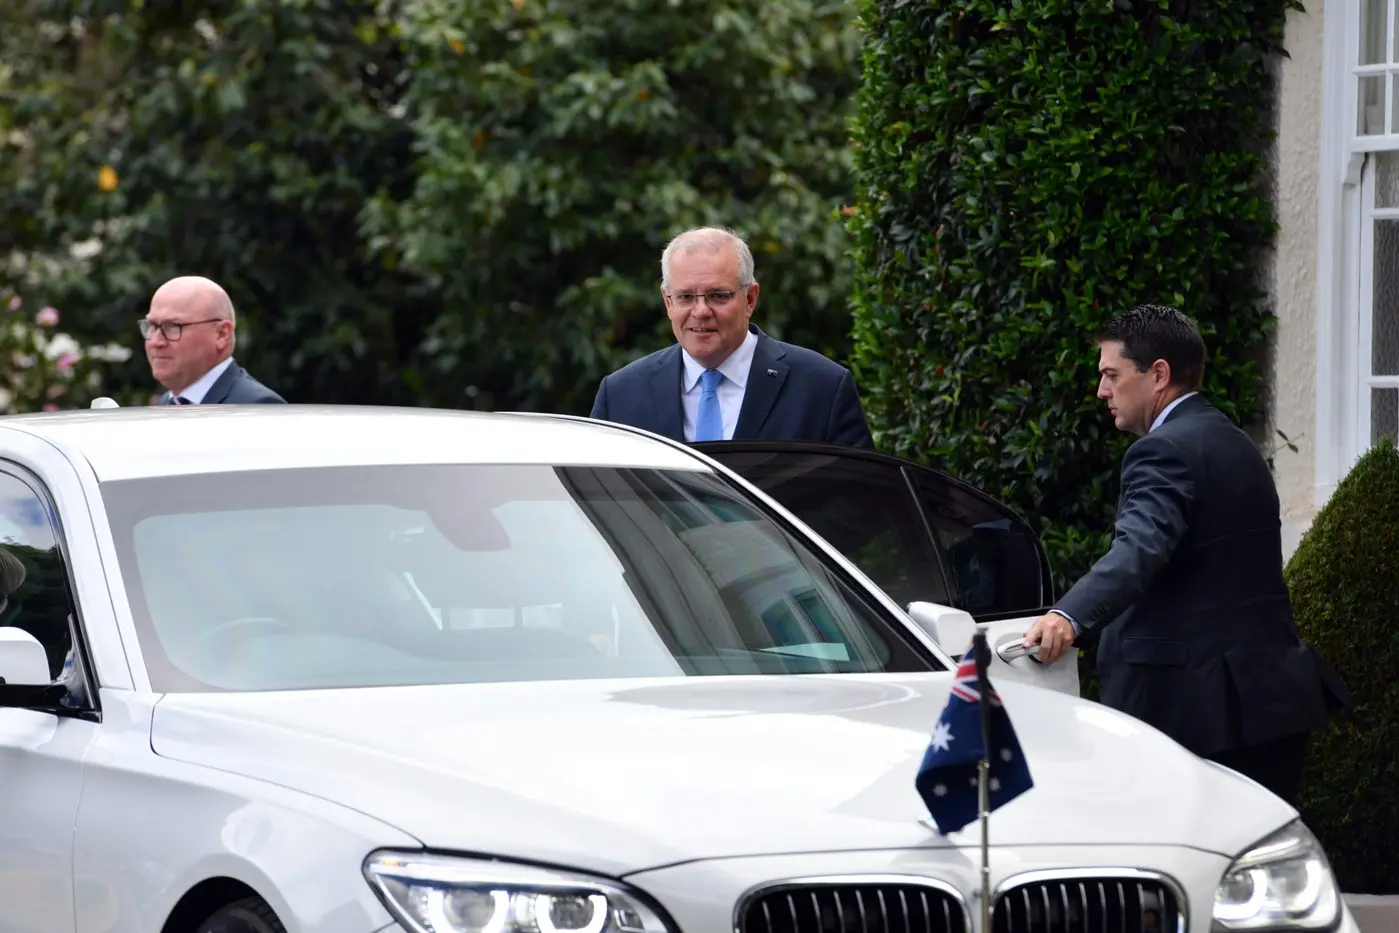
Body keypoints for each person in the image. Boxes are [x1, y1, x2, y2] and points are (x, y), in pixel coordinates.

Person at [1020, 304, 1349, 805]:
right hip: (1266, 704)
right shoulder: (1234, 442)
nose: (1102, 390)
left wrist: (1066, 616)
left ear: (1158, 375)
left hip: (1193, 714)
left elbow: (1139, 548)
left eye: (1112, 374)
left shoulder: (1163, 450)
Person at [589, 227, 873, 448]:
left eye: (718, 296)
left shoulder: (822, 388)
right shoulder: (620, 396)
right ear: (668, 302)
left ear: (750, 299)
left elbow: (853, 499)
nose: (701, 311)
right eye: (685, 297)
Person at [142, 276, 285, 405]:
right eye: (152, 326)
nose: (155, 342)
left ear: (221, 334)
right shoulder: (167, 403)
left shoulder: (256, 407)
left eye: (172, 327)